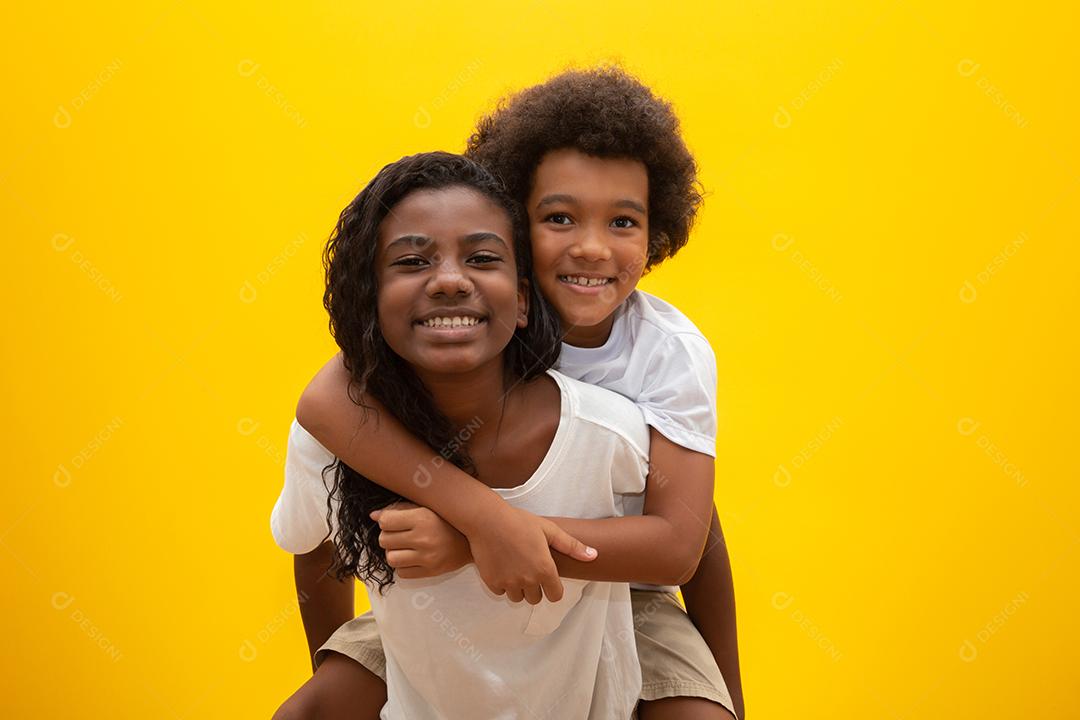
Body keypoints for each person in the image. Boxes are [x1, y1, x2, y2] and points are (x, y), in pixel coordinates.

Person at [293, 67, 742, 719]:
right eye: (559, 217)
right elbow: (325, 402)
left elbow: (688, 540)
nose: (592, 247)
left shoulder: (667, 353)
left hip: (621, 591)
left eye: (623, 221)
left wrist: (476, 538)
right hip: (452, 599)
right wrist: (484, 521)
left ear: (657, 234)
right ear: (513, 225)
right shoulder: (474, 318)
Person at [272, 151, 651, 719]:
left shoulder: (604, 431)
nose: (450, 280)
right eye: (411, 261)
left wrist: (475, 536)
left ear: (522, 301)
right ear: (370, 298)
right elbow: (313, 547)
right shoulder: (334, 439)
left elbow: (687, 539)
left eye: (481, 258)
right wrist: (330, 670)